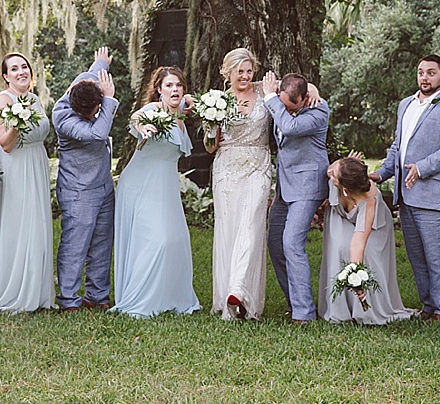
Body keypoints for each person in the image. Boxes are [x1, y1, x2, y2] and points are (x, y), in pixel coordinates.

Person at [369, 55, 440, 321]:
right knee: (417, 256)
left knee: (438, 257)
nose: (425, 77)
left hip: (433, 193)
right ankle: (429, 306)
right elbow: (398, 147)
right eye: (421, 72)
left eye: (431, 73)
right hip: (406, 195)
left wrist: (422, 167)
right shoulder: (406, 105)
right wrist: (380, 174)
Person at [110, 66, 202, 318]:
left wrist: (190, 101)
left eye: (178, 85)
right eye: (169, 85)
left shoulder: (182, 113)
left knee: (177, 240)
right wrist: (143, 128)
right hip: (141, 183)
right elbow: (136, 118)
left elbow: (196, 102)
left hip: (166, 185)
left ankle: (170, 296)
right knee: (156, 240)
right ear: (158, 90)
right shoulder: (153, 111)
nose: (175, 89)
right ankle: (141, 298)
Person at [0, 52, 55, 312]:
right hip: (16, 167)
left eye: (24, 67)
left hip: (36, 162)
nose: (21, 72)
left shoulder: (34, 99)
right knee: (19, 223)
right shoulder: (2, 100)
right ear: (5, 76)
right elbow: (5, 144)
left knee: (37, 223)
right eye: (14, 69)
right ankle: (14, 290)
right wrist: (17, 121)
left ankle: (38, 291)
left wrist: (27, 111)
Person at [206, 48, 274, 321]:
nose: (245, 76)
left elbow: (299, 86)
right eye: (240, 71)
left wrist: (313, 91)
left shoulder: (264, 90)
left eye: (249, 70)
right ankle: (228, 295)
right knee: (229, 229)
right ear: (228, 72)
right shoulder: (217, 100)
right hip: (226, 168)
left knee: (252, 224)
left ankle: (240, 290)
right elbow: (210, 148)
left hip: (258, 165)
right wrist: (211, 127)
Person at [51, 47, 119, 312]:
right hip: (78, 190)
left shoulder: (86, 84)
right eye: (92, 114)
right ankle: (68, 299)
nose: (95, 116)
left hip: (102, 184)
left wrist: (102, 60)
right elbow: (98, 134)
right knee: (75, 245)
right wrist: (110, 101)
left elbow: (95, 72)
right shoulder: (63, 118)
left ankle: (97, 295)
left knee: (102, 243)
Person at [263, 72, 330, 325]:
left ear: (304, 99)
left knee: (292, 243)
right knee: (275, 244)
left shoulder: (318, 110)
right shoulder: (284, 98)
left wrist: (272, 98)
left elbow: (289, 127)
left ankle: (304, 314)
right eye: (283, 103)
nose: (285, 109)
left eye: (291, 106)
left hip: (307, 187)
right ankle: (295, 301)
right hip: (284, 187)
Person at [318, 154, 414, 324]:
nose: (330, 174)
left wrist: (356, 278)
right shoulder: (337, 173)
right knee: (339, 246)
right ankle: (339, 308)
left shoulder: (370, 200)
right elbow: (329, 169)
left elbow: (359, 241)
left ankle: (369, 307)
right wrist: (344, 165)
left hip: (376, 224)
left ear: (345, 186)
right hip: (340, 215)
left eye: (335, 175)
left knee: (367, 254)